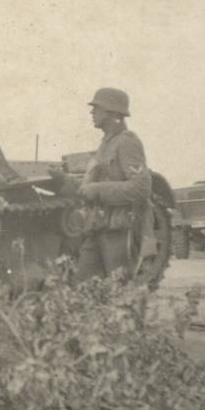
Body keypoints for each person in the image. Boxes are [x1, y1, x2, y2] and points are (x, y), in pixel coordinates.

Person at [72, 87, 152, 282]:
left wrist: (98, 190)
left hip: (120, 228)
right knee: (83, 284)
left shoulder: (127, 142)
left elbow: (141, 187)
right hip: (99, 225)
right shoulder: (106, 143)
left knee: (119, 287)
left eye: (97, 108)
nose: (92, 112)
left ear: (113, 113)